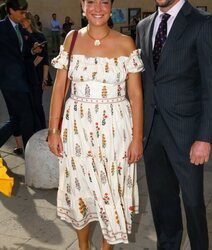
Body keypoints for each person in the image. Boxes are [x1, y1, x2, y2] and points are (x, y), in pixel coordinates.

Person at [48, 0, 143, 249]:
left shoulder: (126, 43)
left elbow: (136, 95)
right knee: (79, 189)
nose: (97, 7)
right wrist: (54, 130)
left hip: (116, 130)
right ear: (82, 4)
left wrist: (136, 138)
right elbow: (60, 87)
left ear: (111, 7)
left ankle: (106, 247)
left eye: (104, 2)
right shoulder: (72, 38)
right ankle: (83, 246)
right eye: (91, 1)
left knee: (111, 191)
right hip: (76, 129)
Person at [136, 0, 212, 249]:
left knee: (193, 202)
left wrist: (205, 137)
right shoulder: (143, 26)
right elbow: (143, 82)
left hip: (188, 134)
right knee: (162, 201)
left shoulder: (202, 23)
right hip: (152, 132)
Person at [0, 0, 42, 151]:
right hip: (9, 81)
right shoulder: (1, 27)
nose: (24, 15)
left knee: (18, 117)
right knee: (26, 117)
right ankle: (32, 153)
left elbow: (21, 53)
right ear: (10, 10)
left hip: (22, 79)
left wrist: (32, 51)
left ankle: (29, 151)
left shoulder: (20, 28)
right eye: (21, 12)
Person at [22, 11, 49, 129]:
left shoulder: (40, 36)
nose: (22, 22)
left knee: (37, 104)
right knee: (29, 105)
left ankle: (42, 130)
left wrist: (45, 79)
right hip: (24, 75)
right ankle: (33, 129)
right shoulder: (21, 37)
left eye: (24, 20)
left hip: (37, 77)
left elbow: (45, 60)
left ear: (29, 21)